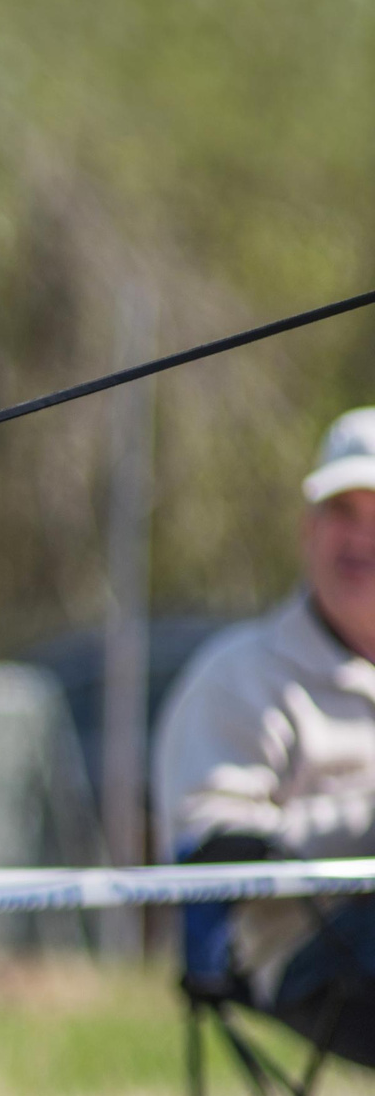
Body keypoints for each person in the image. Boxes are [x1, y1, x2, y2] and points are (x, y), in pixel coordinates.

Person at [154, 407, 375, 1061]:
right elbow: (210, 846)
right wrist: (361, 821)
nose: (361, 538)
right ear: (308, 530)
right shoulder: (239, 675)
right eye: (343, 512)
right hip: (317, 955)